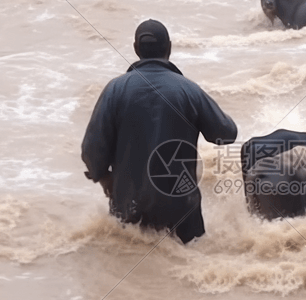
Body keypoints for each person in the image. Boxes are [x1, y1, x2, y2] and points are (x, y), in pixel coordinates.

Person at [81, 19, 238, 244]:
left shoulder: (115, 90)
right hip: (182, 211)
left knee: (127, 266)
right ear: (170, 48)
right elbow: (227, 133)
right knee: (186, 265)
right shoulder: (188, 90)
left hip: (128, 207)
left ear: (136, 49)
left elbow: (91, 149)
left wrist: (103, 177)